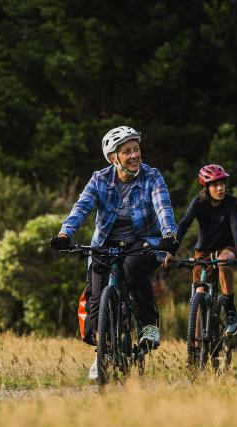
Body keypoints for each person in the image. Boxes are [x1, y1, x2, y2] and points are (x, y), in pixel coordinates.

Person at [50, 126, 179, 379]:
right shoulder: (99, 179)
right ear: (113, 158)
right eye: (126, 151)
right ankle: (103, 353)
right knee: (97, 297)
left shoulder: (152, 176)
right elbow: (81, 207)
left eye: (136, 149)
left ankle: (147, 326)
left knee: (133, 266)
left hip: (143, 243)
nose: (134, 155)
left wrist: (168, 235)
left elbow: (162, 206)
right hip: (105, 244)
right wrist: (66, 234)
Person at [172, 164, 237, 335]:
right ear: (205, 187)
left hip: (226, 248)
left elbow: (236, 227)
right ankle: (194, 352)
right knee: (198, 300)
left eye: (222, 183)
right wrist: (171, 251)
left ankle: (230, 311)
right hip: (203, 252)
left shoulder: (231, 202)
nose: (220, 188)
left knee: (224, 263)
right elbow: (184, 225)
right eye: (215, 185)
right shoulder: (198, 203)